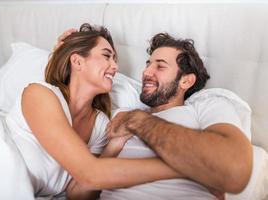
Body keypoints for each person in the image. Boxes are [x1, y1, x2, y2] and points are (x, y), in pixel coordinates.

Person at [5, 23, 186, 200]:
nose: (115, 67)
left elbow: (77, 193)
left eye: (114, 60)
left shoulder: (100, 124)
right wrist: (185, 166)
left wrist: (115, 143)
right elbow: (90, 173)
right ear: (77, 61)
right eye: (107, 56)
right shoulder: (39, 94)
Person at [101, 32, 253, 199]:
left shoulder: (207, 107)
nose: (146, 72)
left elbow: (235, 167)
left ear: (186, 81)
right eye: (148, 64)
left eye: (160, 66)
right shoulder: (122, 116)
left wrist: (141, 122)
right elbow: (85, 181)